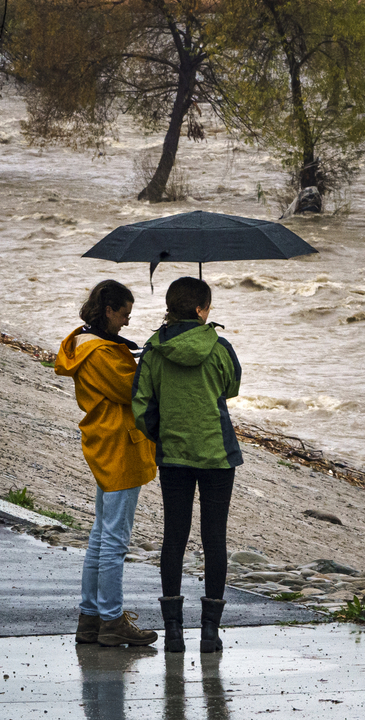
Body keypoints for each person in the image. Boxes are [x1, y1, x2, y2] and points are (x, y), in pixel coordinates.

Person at [132, 277, 242, 654]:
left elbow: (142, 405)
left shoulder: (153, 350)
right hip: (217, 455)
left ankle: (174, 632)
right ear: (199, 310)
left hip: (174, 457)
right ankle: (210, 633)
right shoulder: (220, 348)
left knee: (174, 538)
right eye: (207, 305)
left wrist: (162, 436)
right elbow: (231, 387)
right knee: (215, 539)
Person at [55, 280, 159, 647]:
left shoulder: (84, 343)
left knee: (101, 536)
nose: (127, 324)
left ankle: (90, 617)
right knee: (114, 540)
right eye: (125, 315)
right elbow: (134, 390)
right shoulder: (102, 353)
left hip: (105, 440)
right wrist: (152, 359)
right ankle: (112, 620)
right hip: (120, 445)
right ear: (109, 310)